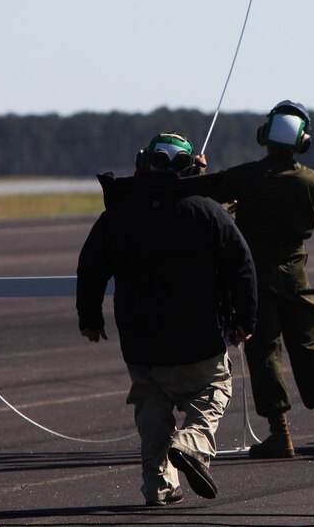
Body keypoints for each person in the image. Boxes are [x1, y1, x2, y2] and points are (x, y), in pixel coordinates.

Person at [77, 131, 258, 506]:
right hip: (197, 339)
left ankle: (158, 486)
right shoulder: (209, 212)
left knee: (151, 407)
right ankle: (191, 444)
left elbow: (91, 268)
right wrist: (245, 319)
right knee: (213, 390)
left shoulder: (117, 215)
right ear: (190, 167)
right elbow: (242, 268)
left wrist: (90, 318)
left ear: (143, 164)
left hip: (140, 342)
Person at [204, 100, 314, 458]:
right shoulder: (312, 182)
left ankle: (281, 434)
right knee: (310, 348)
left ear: (265, 137)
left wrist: (197, 169)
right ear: (302, 141)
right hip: (296, 275)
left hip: (255, 277)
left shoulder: (245, 177)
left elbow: (204, 191)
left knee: (264, 351)